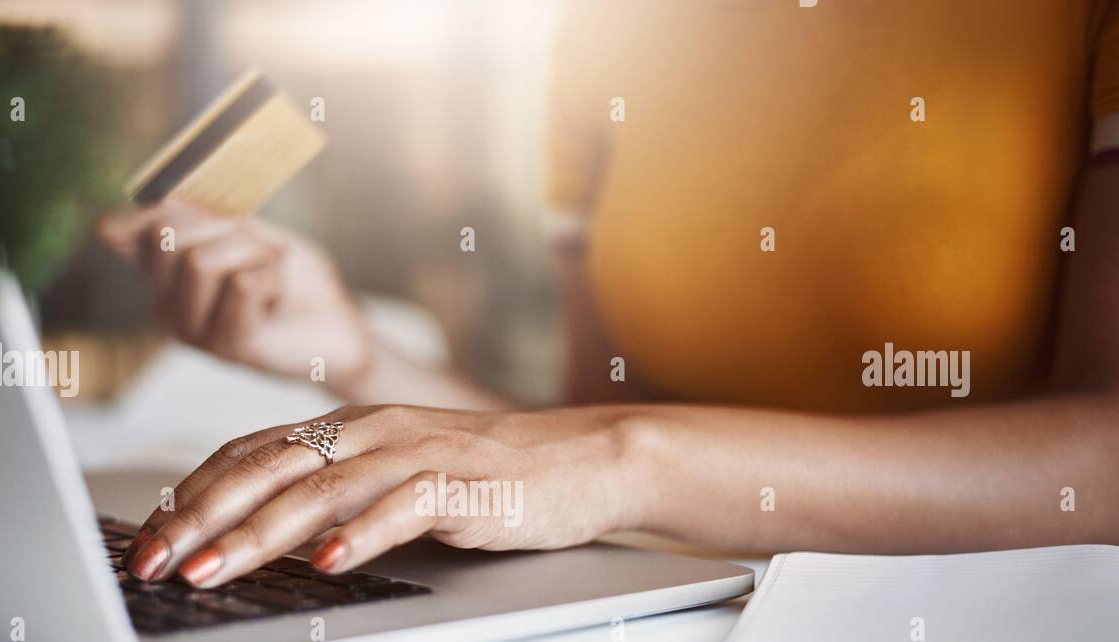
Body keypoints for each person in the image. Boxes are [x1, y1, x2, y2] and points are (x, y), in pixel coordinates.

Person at [96, 0, 1119, 590]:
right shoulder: (609, 31)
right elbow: (575, 429)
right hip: (681, 632)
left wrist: (632, 459)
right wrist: (355, 352)